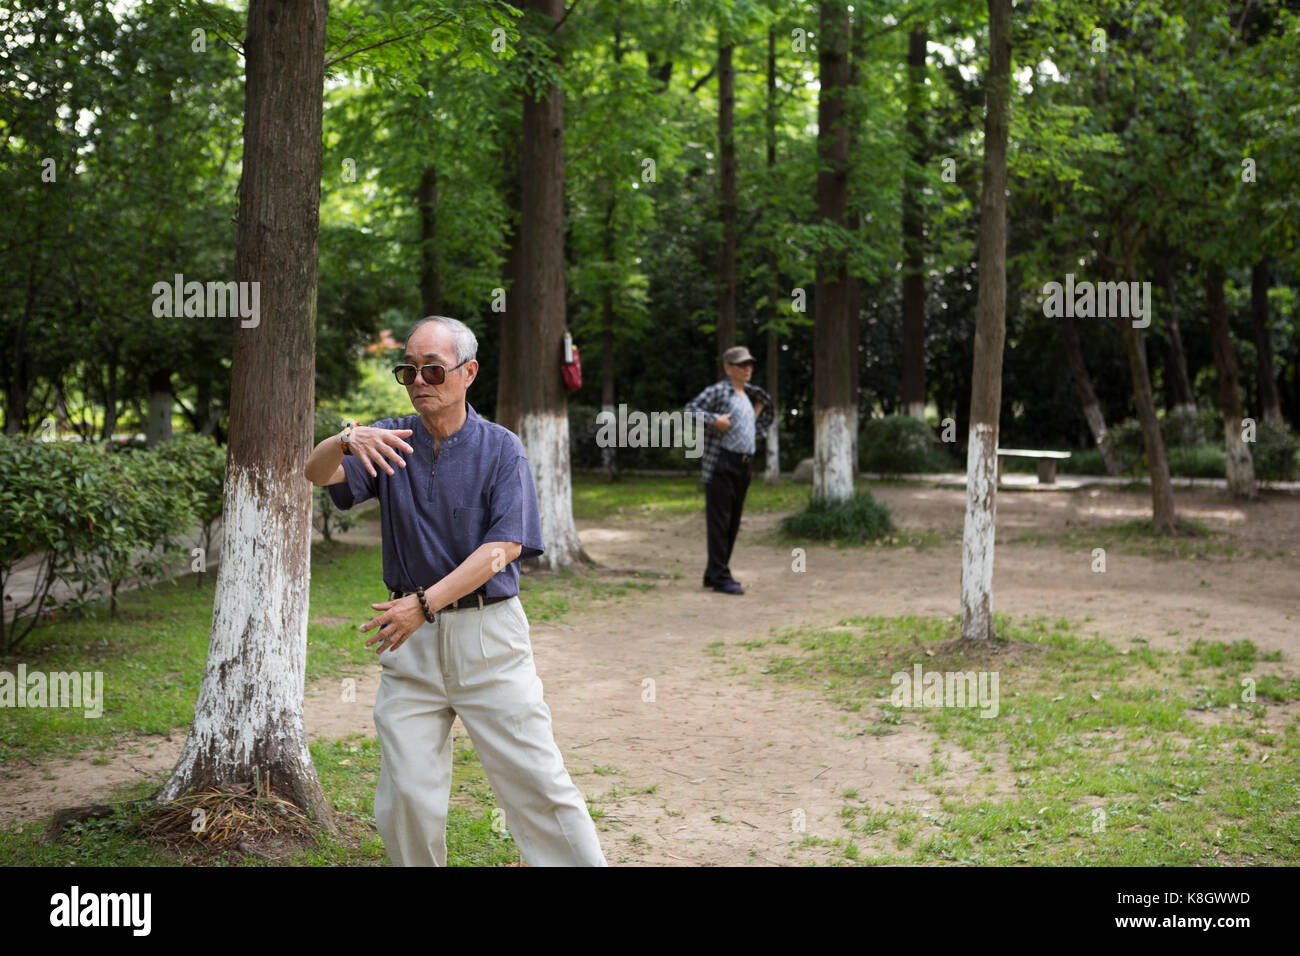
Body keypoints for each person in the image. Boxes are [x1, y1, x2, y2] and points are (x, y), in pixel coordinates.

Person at [304, 315, 606, 867]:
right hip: (410, 647)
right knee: (406, 800)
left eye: (434, 369)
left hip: (488, 642)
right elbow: (315, 475)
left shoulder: (501, 449)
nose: (420, 381)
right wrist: (344, 440)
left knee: (538, 785)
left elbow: (503, 548)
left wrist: (425, 604)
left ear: (467, 373)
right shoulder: (388, 439)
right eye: (409, 370)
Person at [684, 345, 775, 595]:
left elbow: (759, 420)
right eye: (741, 364)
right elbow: (689, 412)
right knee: (720, 522)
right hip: (722, 463)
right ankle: (721, 577)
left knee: (732, 522)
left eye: (750, 364)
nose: (747, 369)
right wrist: (714, 420)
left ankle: (714, 573)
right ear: (728, 368)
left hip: (744, 465)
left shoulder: (751, 395)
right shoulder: (719, 392)